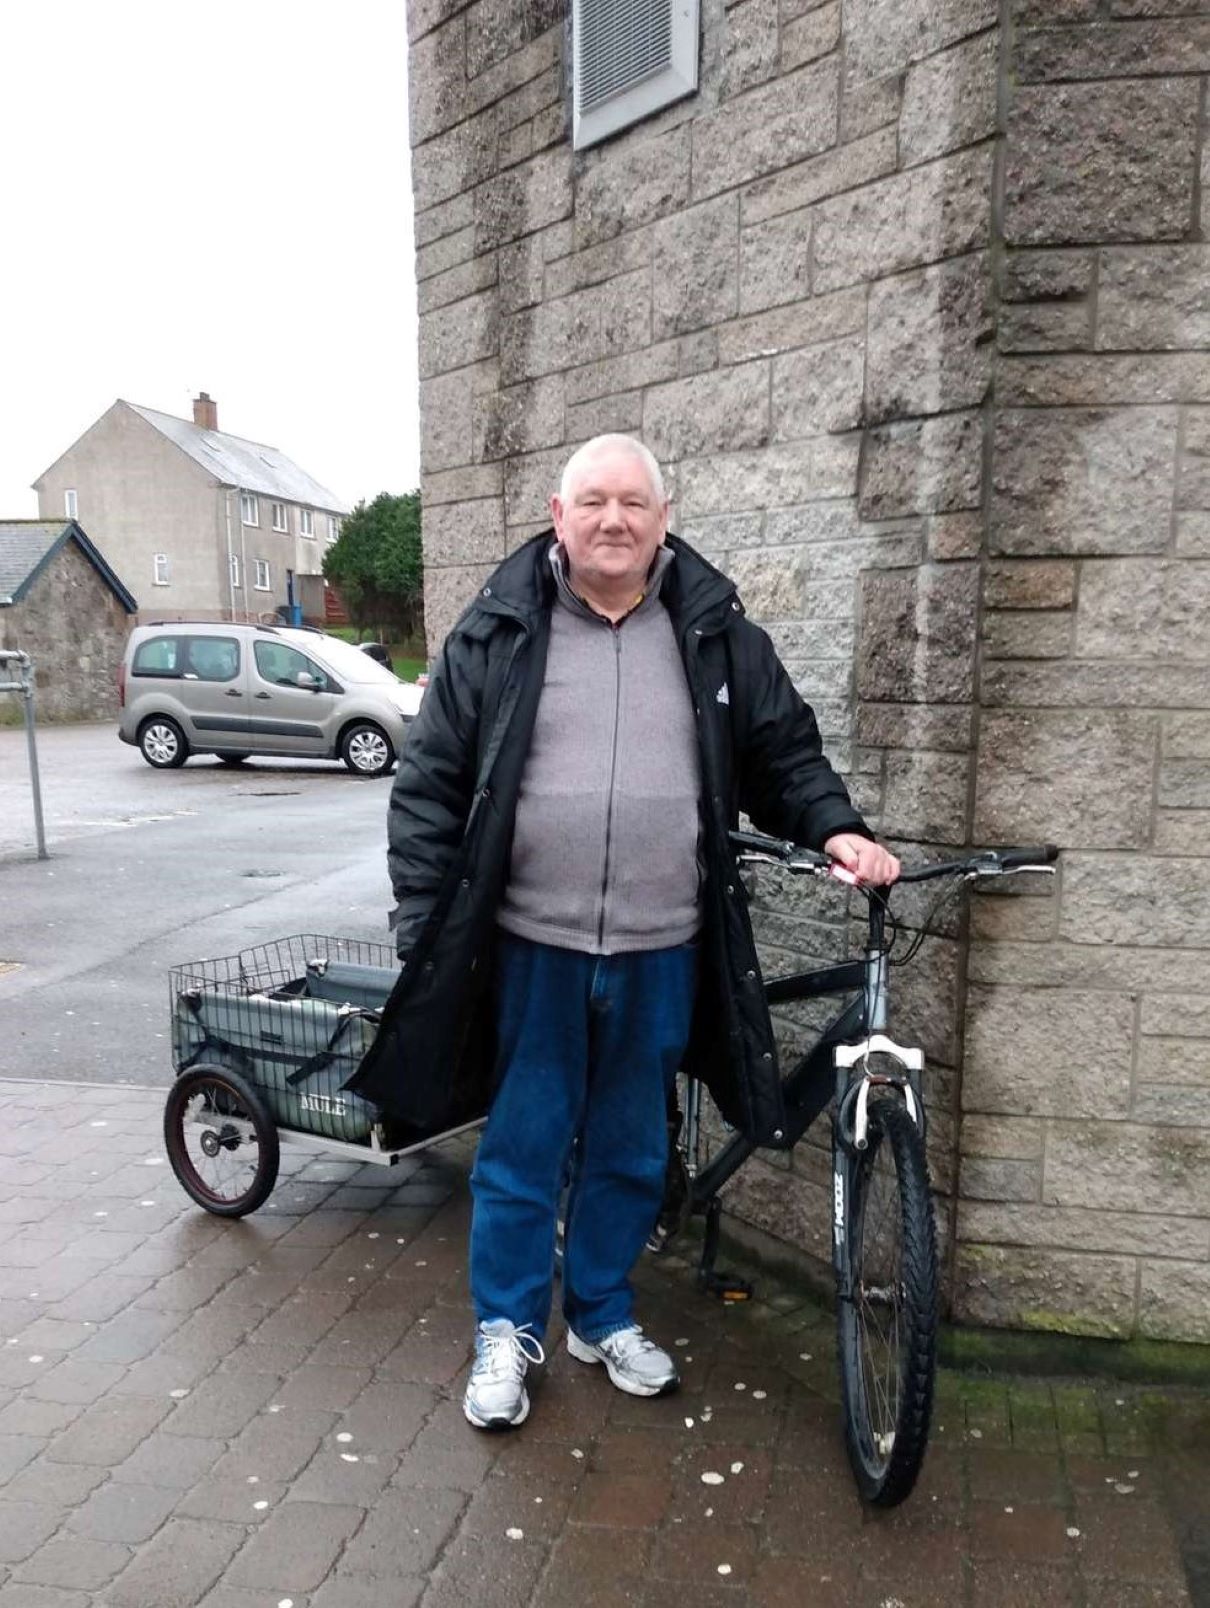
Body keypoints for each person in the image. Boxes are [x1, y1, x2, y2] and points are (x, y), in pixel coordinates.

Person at [350, 434, 899, 1431]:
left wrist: (838, 827)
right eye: (593, 502)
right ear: (558, 516)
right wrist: (425, 931)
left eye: (633, 504)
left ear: (662, 516)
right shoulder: (499, 630)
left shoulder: (713, 631)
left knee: (630, 1149)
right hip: (529, 947)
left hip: (662, 948)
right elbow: (428, 788)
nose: (613, 520)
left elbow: (783, 751)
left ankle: (599, 1314)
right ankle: (507, 1331)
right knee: (520, 1149)